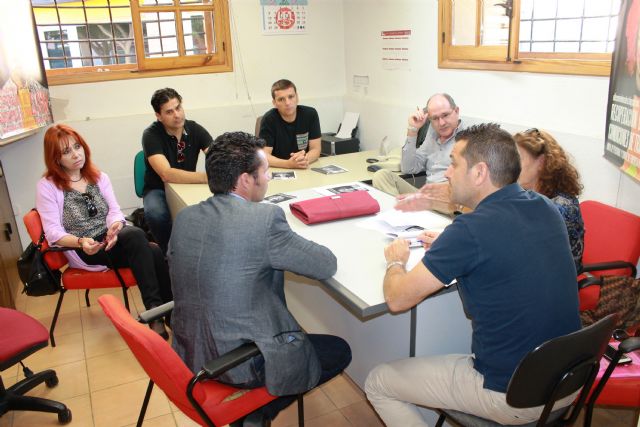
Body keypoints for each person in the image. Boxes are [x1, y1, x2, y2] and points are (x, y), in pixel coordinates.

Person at [365, 123, 581, 426]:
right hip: (569, 378)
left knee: (378, 382)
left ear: (479, 173)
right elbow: (500, 239)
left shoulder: (469, 231)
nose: (448, 172)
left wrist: (396, 263)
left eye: (454, 163)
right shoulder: (545, 207)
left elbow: (397, 299)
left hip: (515, 395)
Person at [169, 131, 351, 427]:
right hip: (240, 364)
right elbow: (324, 264)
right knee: (338, 350)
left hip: (193, 354)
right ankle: (253, 413)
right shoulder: (264, 219)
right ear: (244, 180)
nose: (269, 178)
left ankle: (252, 414)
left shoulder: (186, 217)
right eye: (265, 171)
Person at [36, 124, 172, 338]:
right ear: (55, 158)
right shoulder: (48, 186)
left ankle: (160, 315)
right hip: (85, 248)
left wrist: (116, 226)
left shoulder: (98, 176)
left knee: (149, 248)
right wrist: (82, 242)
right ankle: (165, 315)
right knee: (145, 243)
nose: (75, 154)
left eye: (77, 147)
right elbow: (53, 233)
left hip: (113, 240)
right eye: (66, 151)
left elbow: (115, 212)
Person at [142, 87, 212, 254]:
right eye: (169, 111)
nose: (177, 115)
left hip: (188, 185)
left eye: (178, 107)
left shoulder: (194, 129)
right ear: (158, 116)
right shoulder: (151, 134)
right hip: (158, 188)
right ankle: (170, 254)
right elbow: (167, 174)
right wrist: (207, 177)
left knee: (213, 209)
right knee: (155, 213)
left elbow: (217, 155)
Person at [372, 93, 466, 202]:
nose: (441, 123)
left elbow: (464, 188)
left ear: (456, 111)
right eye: (435, 118)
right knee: (382, 176)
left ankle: (400, 213)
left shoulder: (469, 138)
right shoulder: (432, 133)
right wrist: (413, 129)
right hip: (425, 196)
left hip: (448, 200)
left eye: (445, 115)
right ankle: (397, 214)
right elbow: (409, 168)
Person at [513, 128, 584, 271]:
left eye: (518, 159)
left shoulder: (562, 207)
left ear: (541, 162)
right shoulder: (527, 194)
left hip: (554, 282)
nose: (512, 166)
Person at [259, 79, 322, 169]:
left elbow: (316, 149)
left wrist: (303, 160)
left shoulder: (310, 114)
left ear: (297, 97)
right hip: (278, 169)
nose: (287, 103)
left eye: (291, 97)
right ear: (274, 103)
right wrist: (288, 164)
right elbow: (264, 156)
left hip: (305, 167)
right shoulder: (268, 119)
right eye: (281, 99)